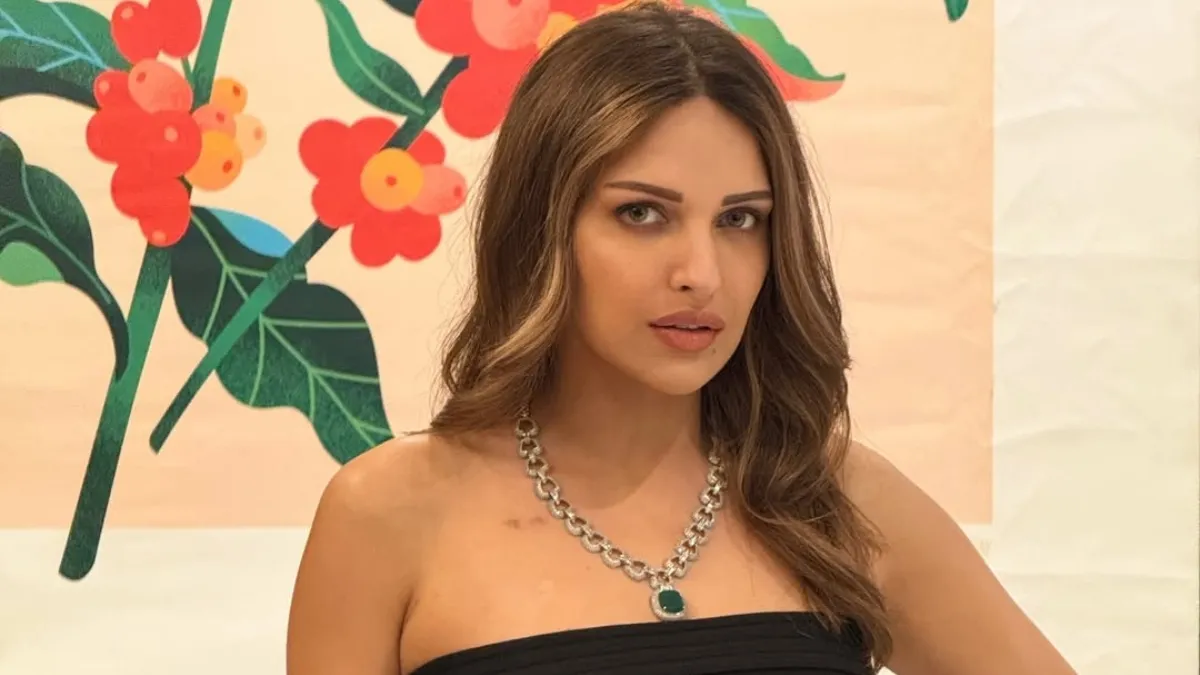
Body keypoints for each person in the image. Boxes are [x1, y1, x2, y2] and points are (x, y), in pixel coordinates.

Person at [285, 2, 1078, 674]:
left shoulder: (833, 496)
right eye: (642, 213)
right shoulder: (387, 515)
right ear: (540, 226)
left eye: (740, 220)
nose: (702, 272)